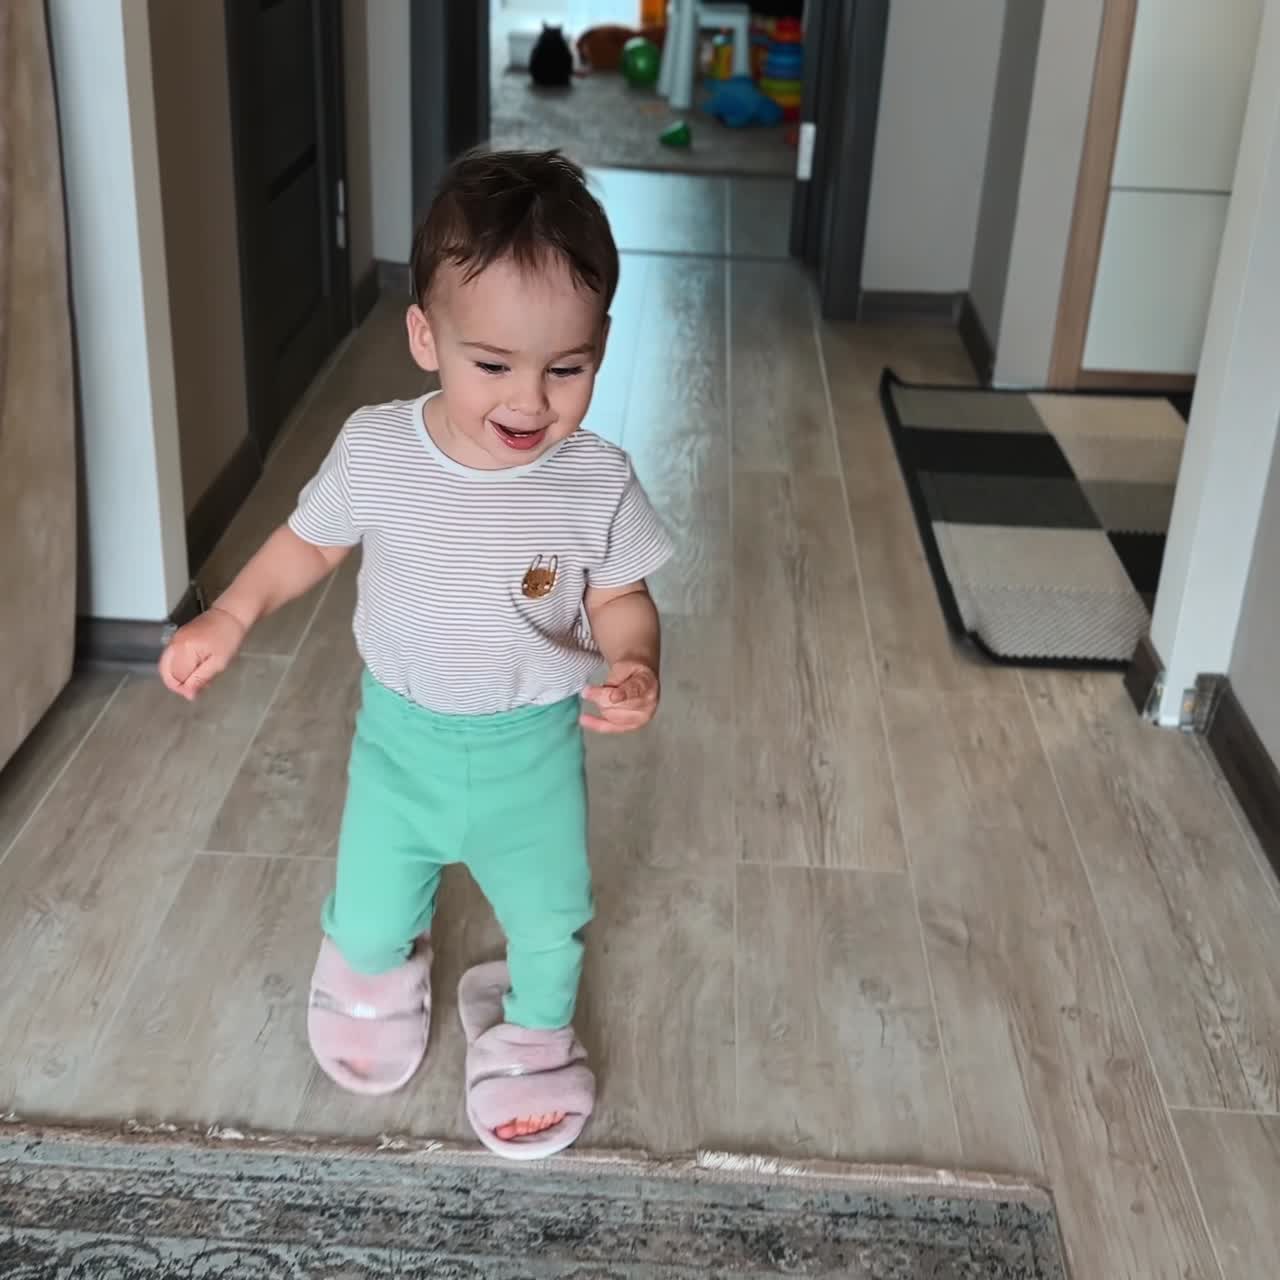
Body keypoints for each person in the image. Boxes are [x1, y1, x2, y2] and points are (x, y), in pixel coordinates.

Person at [158, 149, 672, 1161]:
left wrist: (635, 658)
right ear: (424, 336)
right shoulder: (378, 449)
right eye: (493, 364)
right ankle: (372, 959)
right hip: (398, 745)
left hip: (532, 747)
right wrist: (231, 614)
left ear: (601, 348)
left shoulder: (596, 478)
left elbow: (621, 594)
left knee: (551, 909)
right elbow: (310, 540)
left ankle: (531, 1029)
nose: (530, 400)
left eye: (565, 368)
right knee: (371, 900)